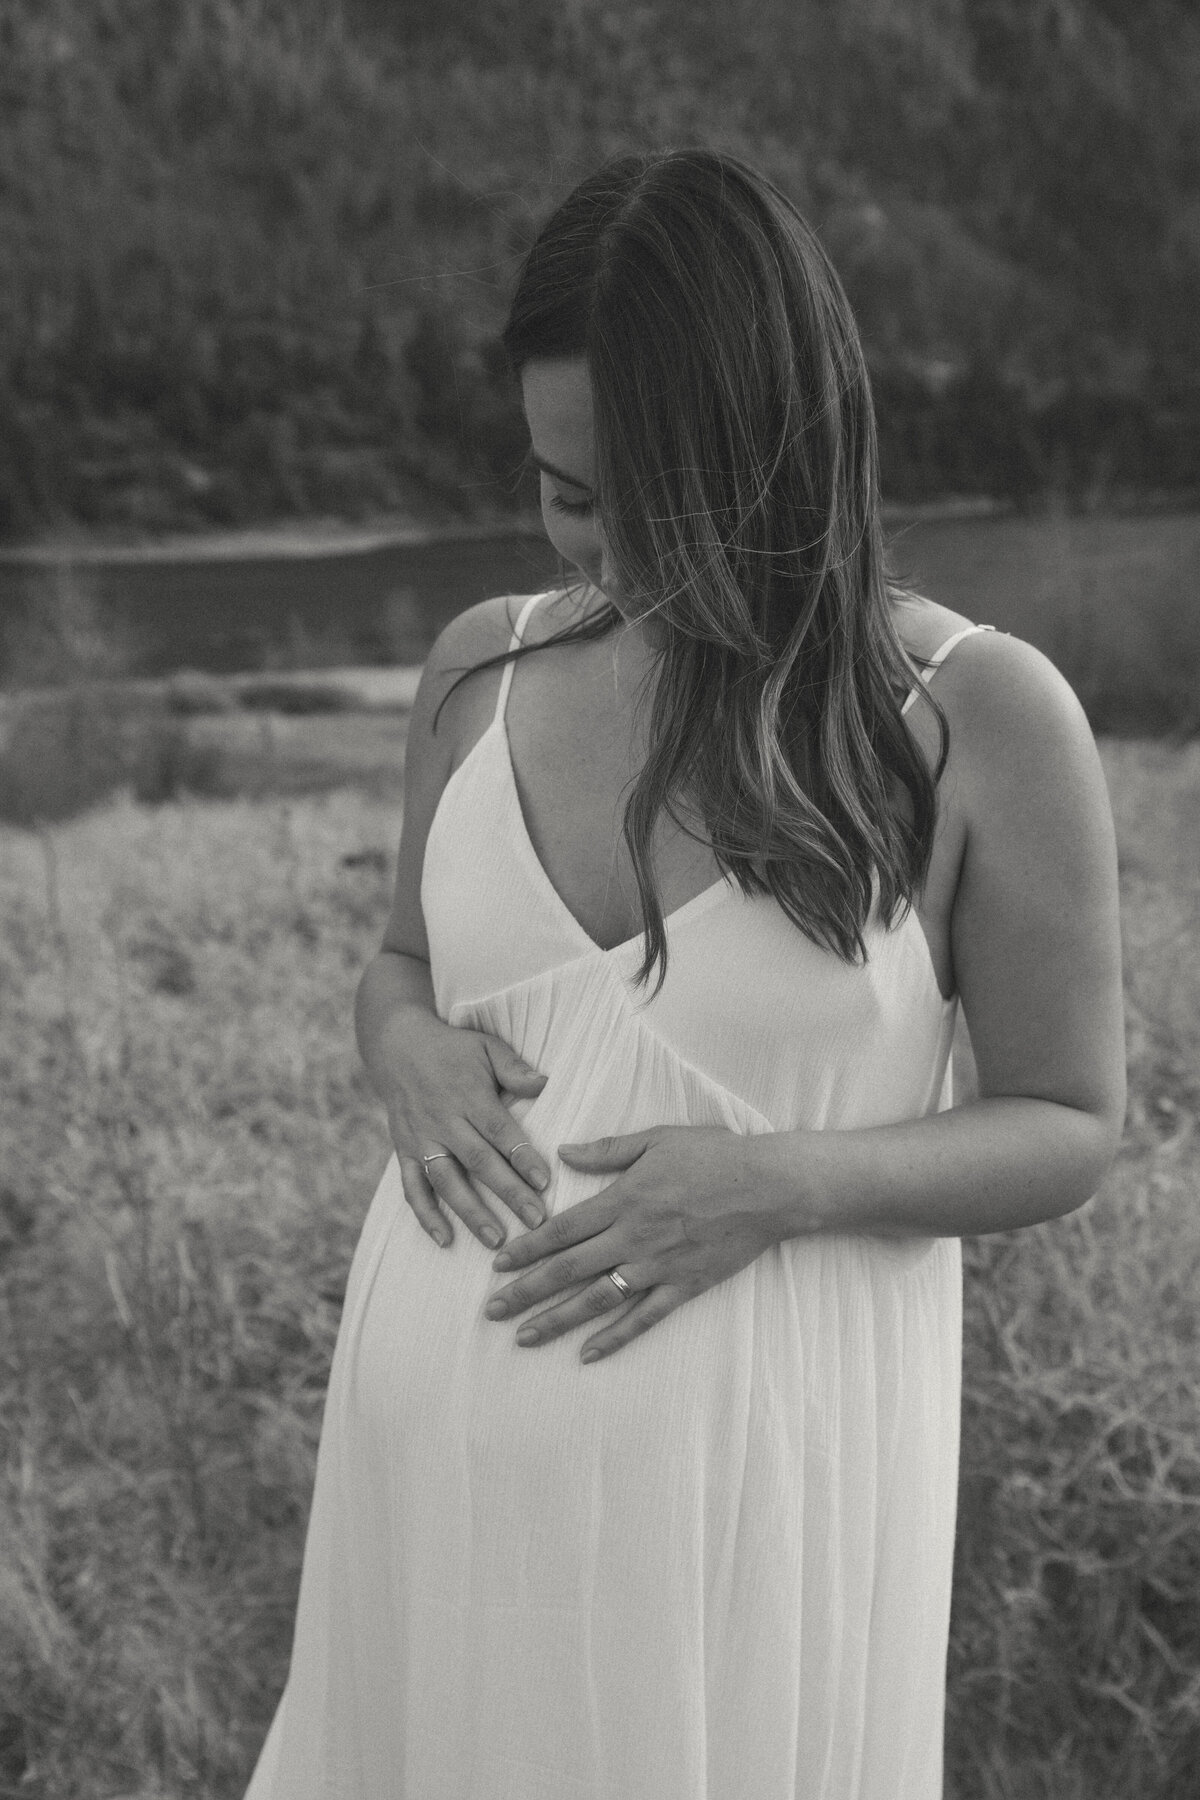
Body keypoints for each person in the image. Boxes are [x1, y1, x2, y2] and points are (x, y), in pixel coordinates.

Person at [244, 149, 1125, 1800]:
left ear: (783, 444)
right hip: (424, 1499)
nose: (616, 551)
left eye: (664, 499)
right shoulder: (480, 667)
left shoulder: (981, 718)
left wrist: (780, 1183)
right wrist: (402, 1047)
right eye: (569, 493)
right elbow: (400, 966)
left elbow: (1071, 1120)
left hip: (757, 1526)